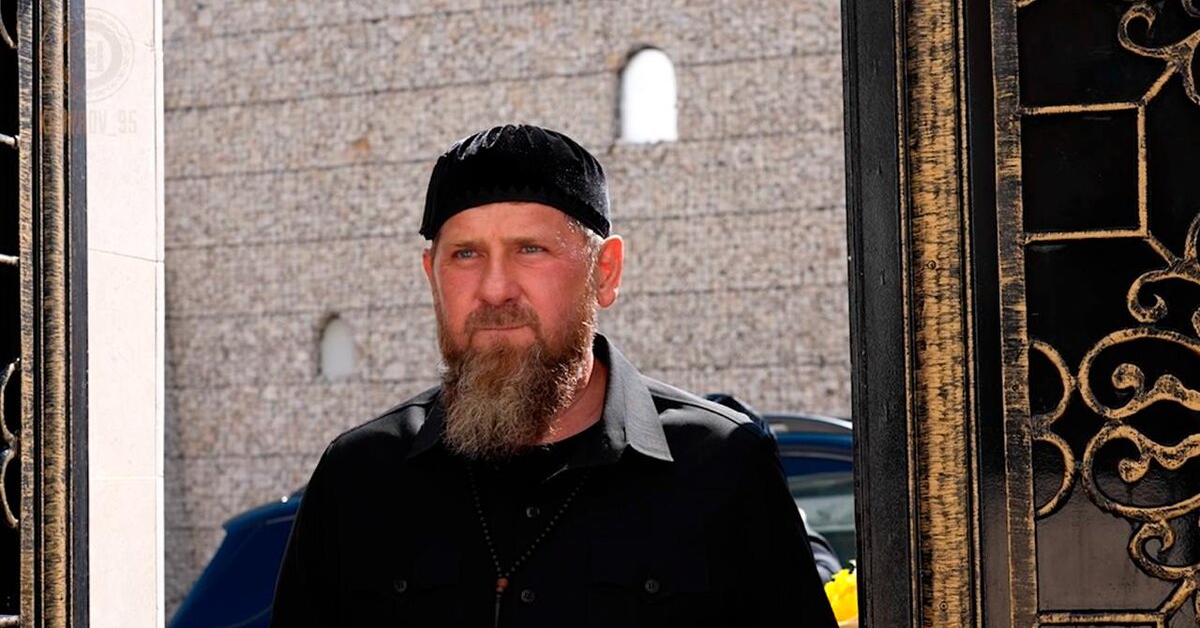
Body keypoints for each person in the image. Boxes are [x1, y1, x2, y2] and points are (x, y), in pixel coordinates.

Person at [270, 124, 838, 627]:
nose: (495, 289)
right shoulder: (359, 477)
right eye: (465, 254)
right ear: (431, 276)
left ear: (604, 272)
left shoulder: (723, 465)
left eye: (530, 249)